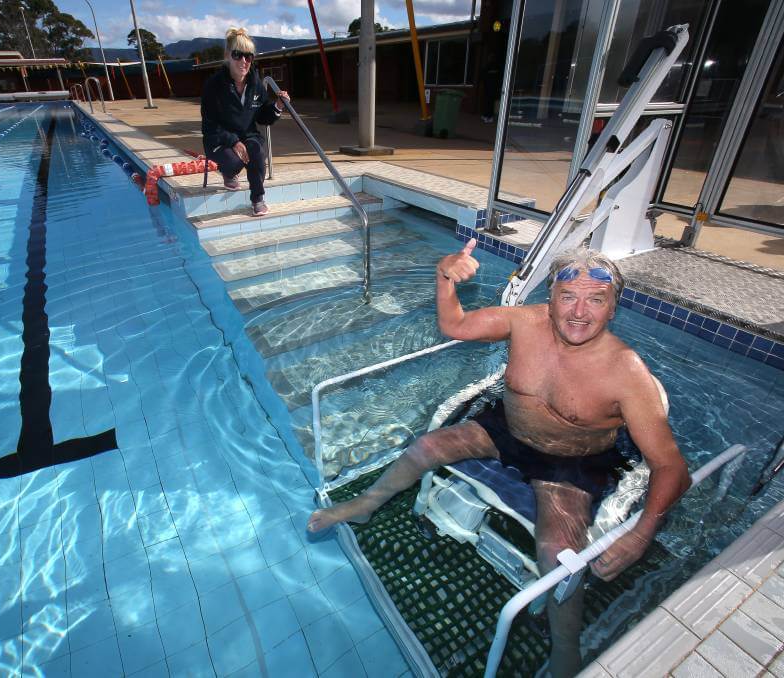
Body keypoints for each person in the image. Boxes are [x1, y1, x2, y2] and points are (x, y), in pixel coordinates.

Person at [307, 242, 691, 677]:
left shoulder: (626, 371)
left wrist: (642, 533)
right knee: (426, 447)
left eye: (596, 300)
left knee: (558, 552)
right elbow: (454, 325)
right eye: (568, 297)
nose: (579, 312)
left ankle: (566, 647)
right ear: (551, 298)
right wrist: (444, 275)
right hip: (507, 428)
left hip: (569, 463)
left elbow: (672, 467)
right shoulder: (524, 322)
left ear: (613, 307)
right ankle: (365, 505)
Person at [200, 27, 290, 217]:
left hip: (247, 135)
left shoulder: (255, 83)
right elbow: (209, 125)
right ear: (227, 56)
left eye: (248, 57)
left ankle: (257, 199)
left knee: (256, 151)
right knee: (234, 159)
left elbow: (263, 116)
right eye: (238, 55)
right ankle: (228, 172)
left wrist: (278, 106)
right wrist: (233, 142)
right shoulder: (213, 85)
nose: (243, 61)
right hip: (219, 140)